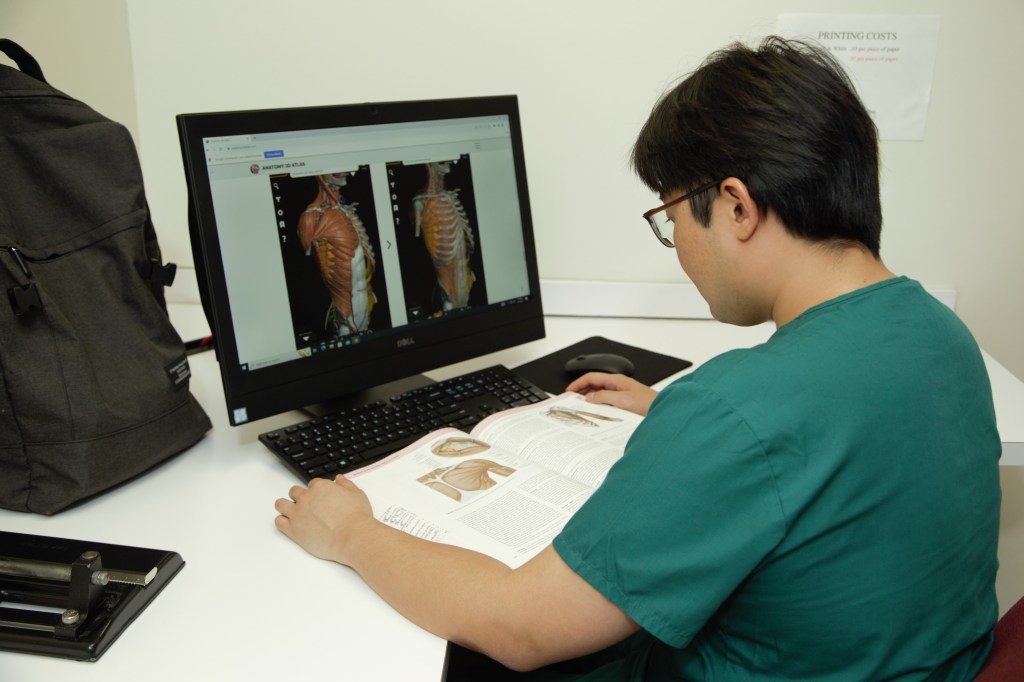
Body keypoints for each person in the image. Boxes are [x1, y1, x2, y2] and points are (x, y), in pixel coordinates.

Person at [274, 36, 1001, 680]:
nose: (676, 243)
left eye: (672, 216)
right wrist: (680, 416)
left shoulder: (736, 411)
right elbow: (840, 442)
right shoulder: (938, 331)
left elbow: (522, 628)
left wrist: (353, 533)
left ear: (738, 207)